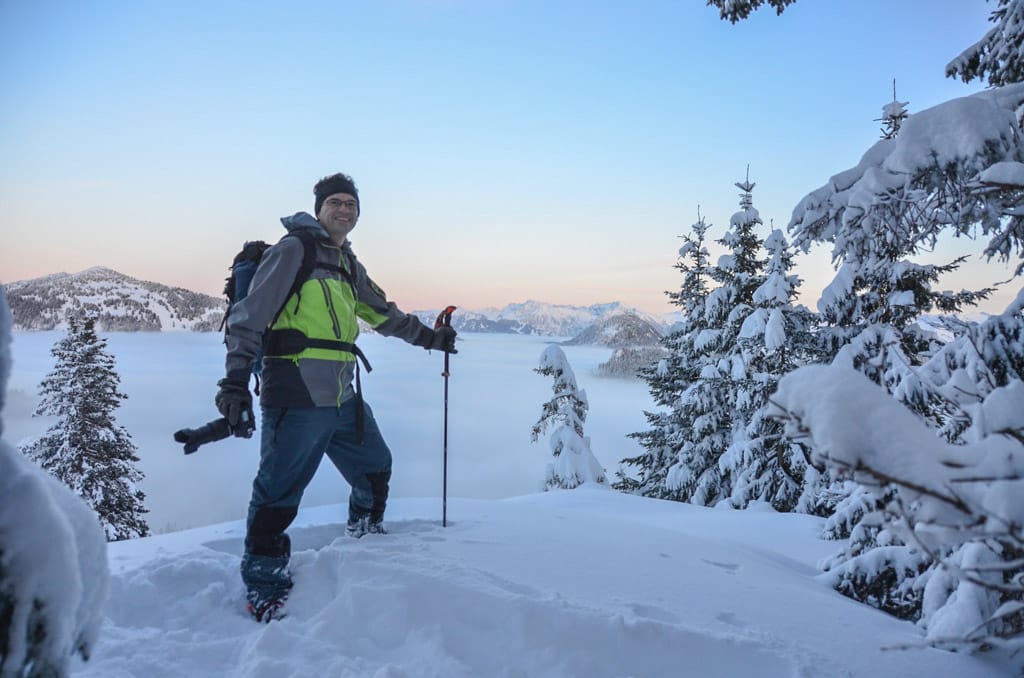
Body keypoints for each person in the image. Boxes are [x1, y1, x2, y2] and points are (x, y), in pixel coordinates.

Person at [214, 172, 457, 622]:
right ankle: (264, 582)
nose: (344, 210)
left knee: (375, 467)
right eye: (336, 203)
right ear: (319, 207)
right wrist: (233, 383)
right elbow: (249, 318)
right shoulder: (295, 250)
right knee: (279, 490)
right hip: (296, 390)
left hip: (342, 393)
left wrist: (430, 338)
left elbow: (383, 314)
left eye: (351, 204)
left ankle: (362, 537)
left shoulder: (347, 263)